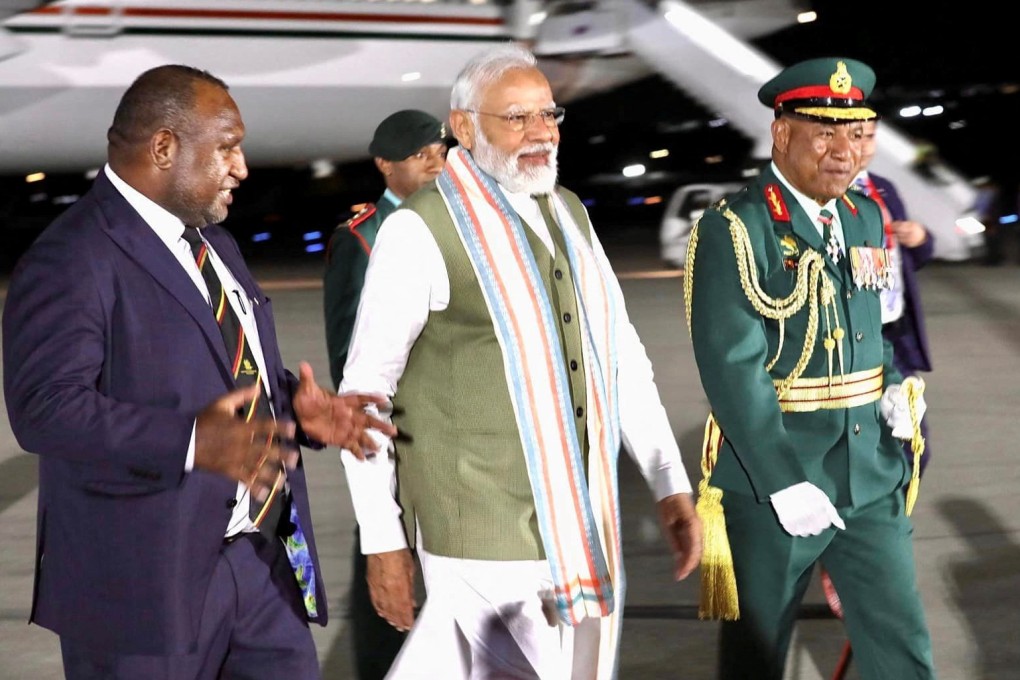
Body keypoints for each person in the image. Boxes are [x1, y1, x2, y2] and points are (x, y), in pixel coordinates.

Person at [1, 64, 395, 680]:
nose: (240, 167)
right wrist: (190, 442)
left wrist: (296, 410)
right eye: (227, 148)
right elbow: (45, 409)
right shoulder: (71, 257)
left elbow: (215, 370)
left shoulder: (211, 242)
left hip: (258, 566)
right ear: (164, 147)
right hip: (142, 589)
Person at [338, 43, 702, 679]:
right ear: (464, 126)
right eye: (517, 118)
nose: (541, 133)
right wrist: (383, 540)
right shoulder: (419, 229)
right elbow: (363, 394)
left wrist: (668, 480)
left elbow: (620, 356)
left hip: (583, 527)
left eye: (549, 115)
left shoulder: (569, 212)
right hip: (478, 542)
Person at [683, 57, 936, 679]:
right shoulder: (736, 228)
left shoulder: (863, 217)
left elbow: (867, 328)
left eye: (855, 134)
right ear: (781, 133)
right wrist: (782, 482)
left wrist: (890, 393)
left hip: (869, 478)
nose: (842, 152)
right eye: (823, 131)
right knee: (757, 659)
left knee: (902, 649)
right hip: (777, 487)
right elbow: (732, 368)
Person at [322, 109, 448, 679]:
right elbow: (352, 357)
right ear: (385, 165)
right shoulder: (361, 239)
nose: (436, 164)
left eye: (440, 152)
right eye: (421, 156)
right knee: (385, 559)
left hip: (449, 438)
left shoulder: (449, 223)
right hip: (395, 436)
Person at [853, 118, 935, 474]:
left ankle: (893, 507)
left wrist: (920, 239)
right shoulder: (822, 196)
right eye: (856, 136)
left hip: (894, 329)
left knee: (912, 438)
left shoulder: (883, 189)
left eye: (870, 136)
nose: (864, 145)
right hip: (855, 333)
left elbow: (910, 261)